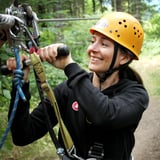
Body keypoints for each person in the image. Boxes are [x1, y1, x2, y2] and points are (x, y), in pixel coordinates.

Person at [6, 12, 149, 160]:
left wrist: (70, 66)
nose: (92, 49)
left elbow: (104, 115)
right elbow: (23, 135)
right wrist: (21, 82)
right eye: (93, 41)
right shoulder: (68, 90)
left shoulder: (136, 95)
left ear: (124, 57)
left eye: (104, 44)